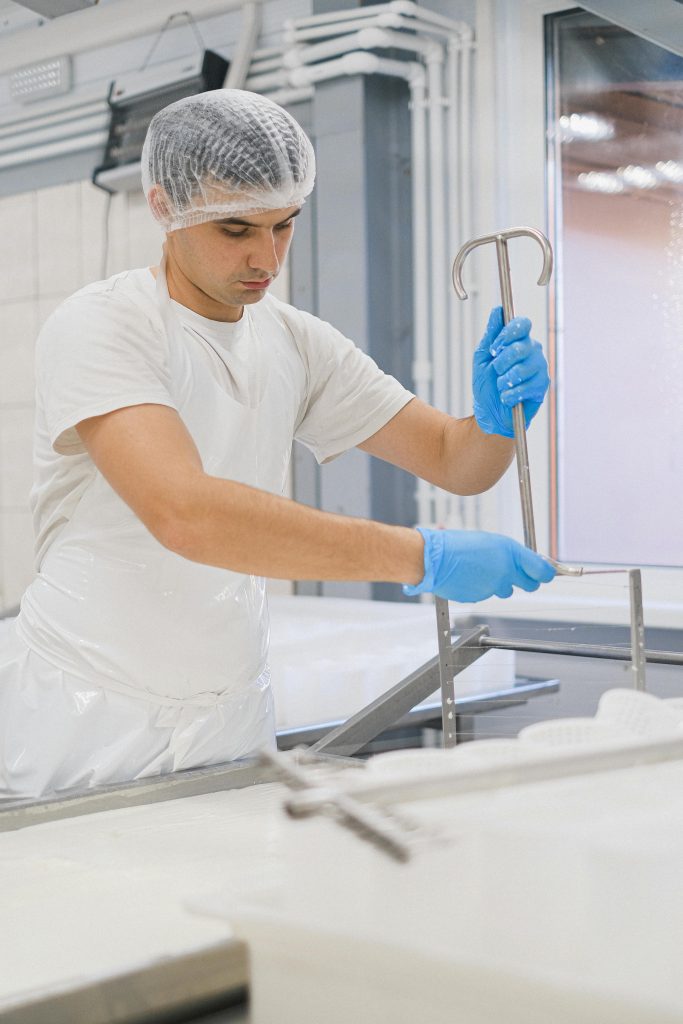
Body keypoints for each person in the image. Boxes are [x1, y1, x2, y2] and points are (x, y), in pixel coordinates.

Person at [0, 89, 554, 800]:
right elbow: (184, 513)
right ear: (166, 206)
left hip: (228, 718)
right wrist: (423, 556)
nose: (266, 256)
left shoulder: (293, 340)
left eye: (284, 225)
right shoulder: (105, 325)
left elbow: (454, 460)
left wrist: (497, 421)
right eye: (236, 229)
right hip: (81, 714)